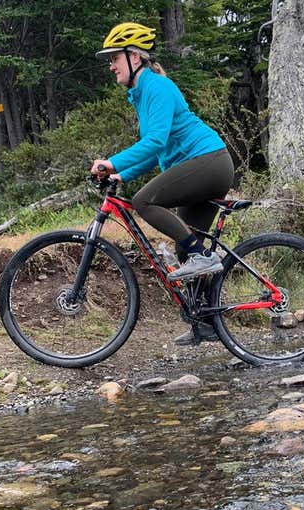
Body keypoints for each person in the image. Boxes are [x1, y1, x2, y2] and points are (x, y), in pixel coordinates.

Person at [90, 22, 234, 345]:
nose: (111, 65)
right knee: (186, 246)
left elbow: (155, 142)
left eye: (114, 57)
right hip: (199, 166)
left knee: (144, 202)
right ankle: (207, 324)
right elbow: (158, 153)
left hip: (210, 162)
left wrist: (112, 160)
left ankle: (203, 255)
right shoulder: (142, 94)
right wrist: (121, 174)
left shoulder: (156, 88)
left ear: (135, 58)